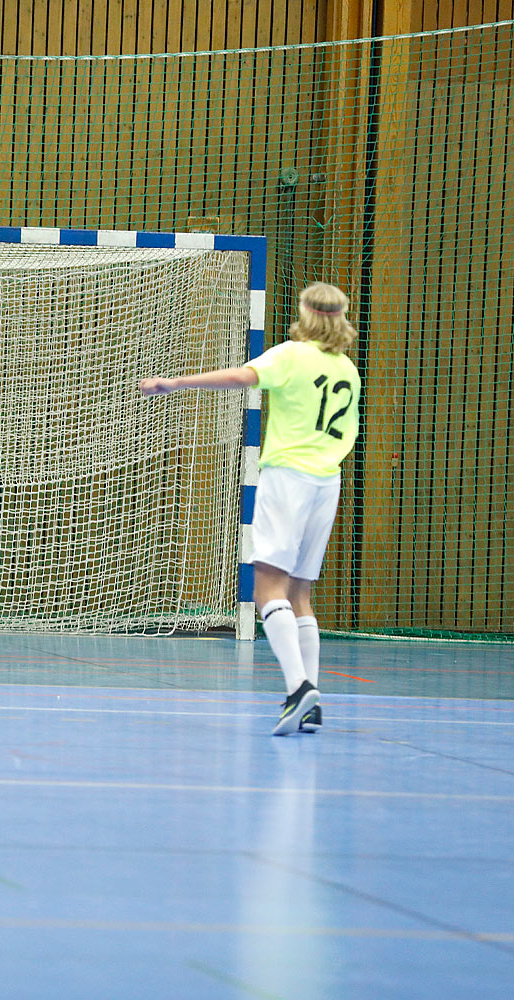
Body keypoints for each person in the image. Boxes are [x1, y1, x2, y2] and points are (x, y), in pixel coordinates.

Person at [140, 282, 361, 735]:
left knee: (267, 588)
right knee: (300, 593)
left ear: (306, 312)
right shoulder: (347, 370)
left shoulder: (290, 354)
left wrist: (176, 382)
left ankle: (299, 688)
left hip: (289, 478)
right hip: (327, 480)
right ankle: (311, 699)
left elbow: (243, 377)